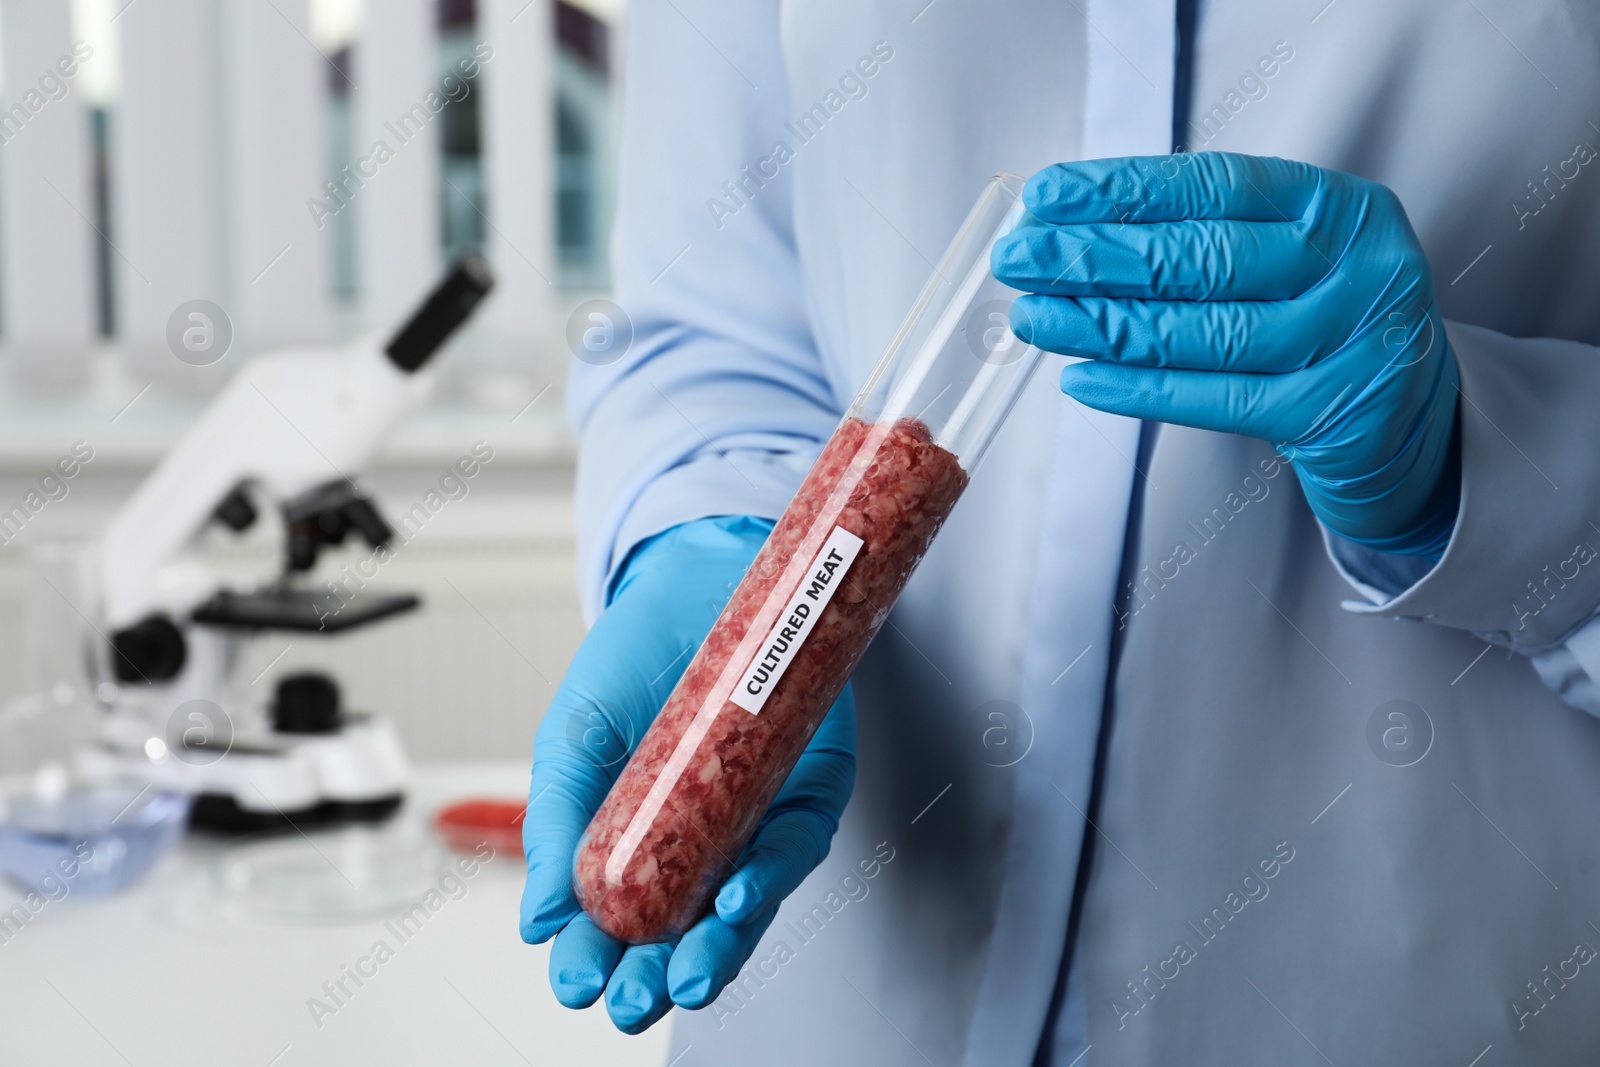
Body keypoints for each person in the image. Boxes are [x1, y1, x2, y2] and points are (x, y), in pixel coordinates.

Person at [522, 1, 1600, 1062]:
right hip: (844, 980)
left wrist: (1491, 460)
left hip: (1401, 988)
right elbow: (715, 318)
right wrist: (700, 540)